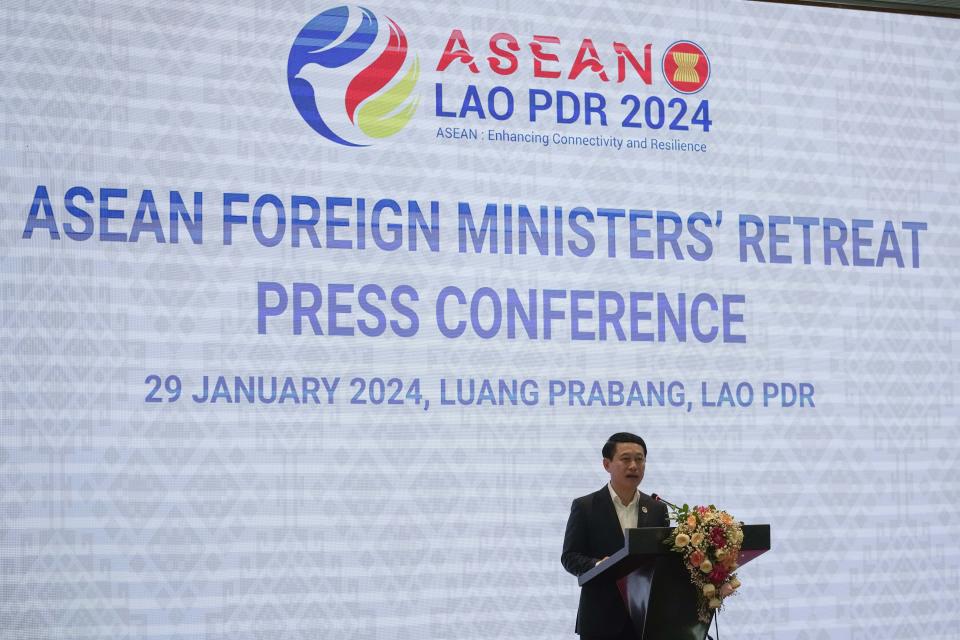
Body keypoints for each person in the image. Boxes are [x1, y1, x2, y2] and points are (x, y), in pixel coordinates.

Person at [561, 432, 669, 640]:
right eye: (625, 459)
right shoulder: (585, 507)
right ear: (607, 464)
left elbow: (662, 560)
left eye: (640, 459)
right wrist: (598, 564)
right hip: (601, 620)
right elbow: (570, 557)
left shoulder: (657, 509)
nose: (633, 466)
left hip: (646, 620)